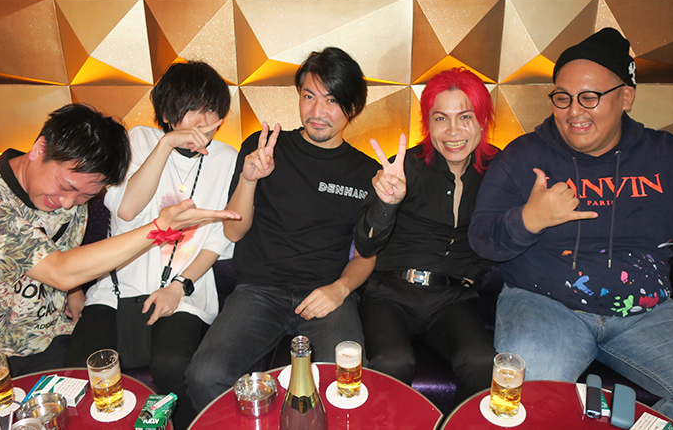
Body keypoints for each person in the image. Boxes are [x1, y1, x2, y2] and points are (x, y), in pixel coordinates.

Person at [468, 27, 673, 420]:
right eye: (563, 98)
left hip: (647, 313)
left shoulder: (667, 157)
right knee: (528, 402)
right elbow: (481, 239)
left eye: (589, 97)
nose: (574, 112)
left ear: (626, 97)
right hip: (544, 305)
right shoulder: (524, 155)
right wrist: (529, 220)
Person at [186, 47, 379, 410]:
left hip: (326, 294)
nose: (317, 111)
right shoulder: (263, 149)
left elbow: (366, 255)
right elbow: (233, 233)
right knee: (204, 375)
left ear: (353, 107)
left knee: (347, 385)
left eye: (332, 100)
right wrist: (249, 179)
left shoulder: (366, 173)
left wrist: (339, 289)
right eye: (309, 96)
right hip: (259, 291)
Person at [0, 103, 236, 377]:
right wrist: (160, 228)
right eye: (66, 187)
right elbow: (59, 270)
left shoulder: (75, 197)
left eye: (85, 196)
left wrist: (74, 293)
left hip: (51, 338)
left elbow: (64, 252)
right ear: (40, 149)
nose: (68, 203)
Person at [65, 62, 237, 429]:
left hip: (184, 290)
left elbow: (217, 239)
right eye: (191, 108)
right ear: (168, 111)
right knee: (80, 369)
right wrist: (166, 145)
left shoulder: (227, 159)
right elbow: (127, 210)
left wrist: (179, 286)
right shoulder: (138, 140)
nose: (202, 120)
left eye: (211, 109)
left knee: (172, 365)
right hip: (115, 289)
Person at [354, 68, 499, 401]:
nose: (453, 131)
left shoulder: (497, 171)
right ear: (428, 124)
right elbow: (365, 244)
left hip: (451, 299)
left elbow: (504, 233)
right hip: (391, 294)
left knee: (481, 361)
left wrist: (473, 272)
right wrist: (387, 204)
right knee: (393, 361)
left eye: (465, 117)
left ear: (482, 121)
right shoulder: (404, 168)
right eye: (440, 118)